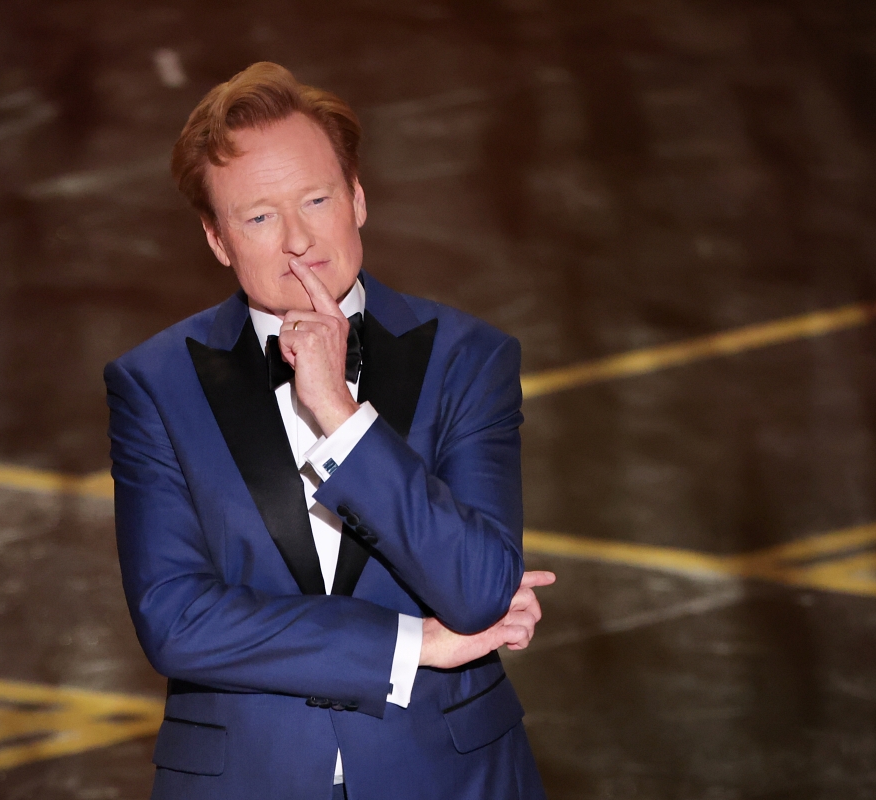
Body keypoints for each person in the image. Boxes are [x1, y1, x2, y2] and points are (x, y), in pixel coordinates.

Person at [105, 62, 555, 800]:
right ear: (217, 239)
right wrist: (413, 645)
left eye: (317, 199)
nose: (298, 240)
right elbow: (176, 621)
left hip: (452, 779)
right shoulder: (154, 383)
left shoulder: (469, 357)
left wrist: (340, 417)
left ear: (357, 198)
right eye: (259, 217)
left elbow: (479, 590)